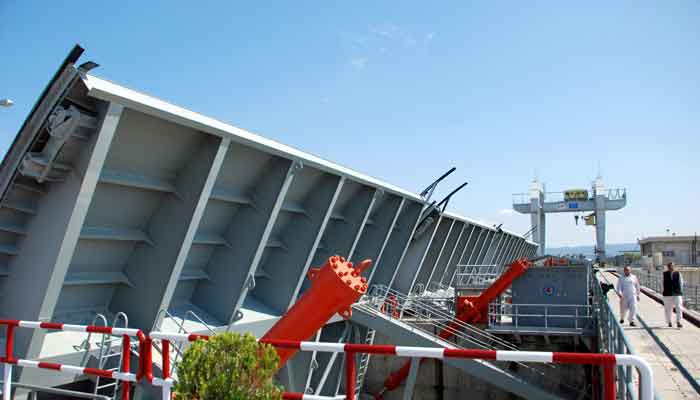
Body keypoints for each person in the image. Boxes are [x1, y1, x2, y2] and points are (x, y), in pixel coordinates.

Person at [662, 262, 684, 328]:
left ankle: (678, 321)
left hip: (677, 293)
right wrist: (663, 292)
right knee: (668, 309)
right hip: (667, 294)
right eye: (669, 266)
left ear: (674, 266)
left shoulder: (678, 273)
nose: (671, 267)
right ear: (667, 267)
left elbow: (681, 282)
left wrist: (681, 292)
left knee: (679, 307)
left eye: (672, 266)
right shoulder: (664, 274)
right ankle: (669, 321)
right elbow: (662, 283)